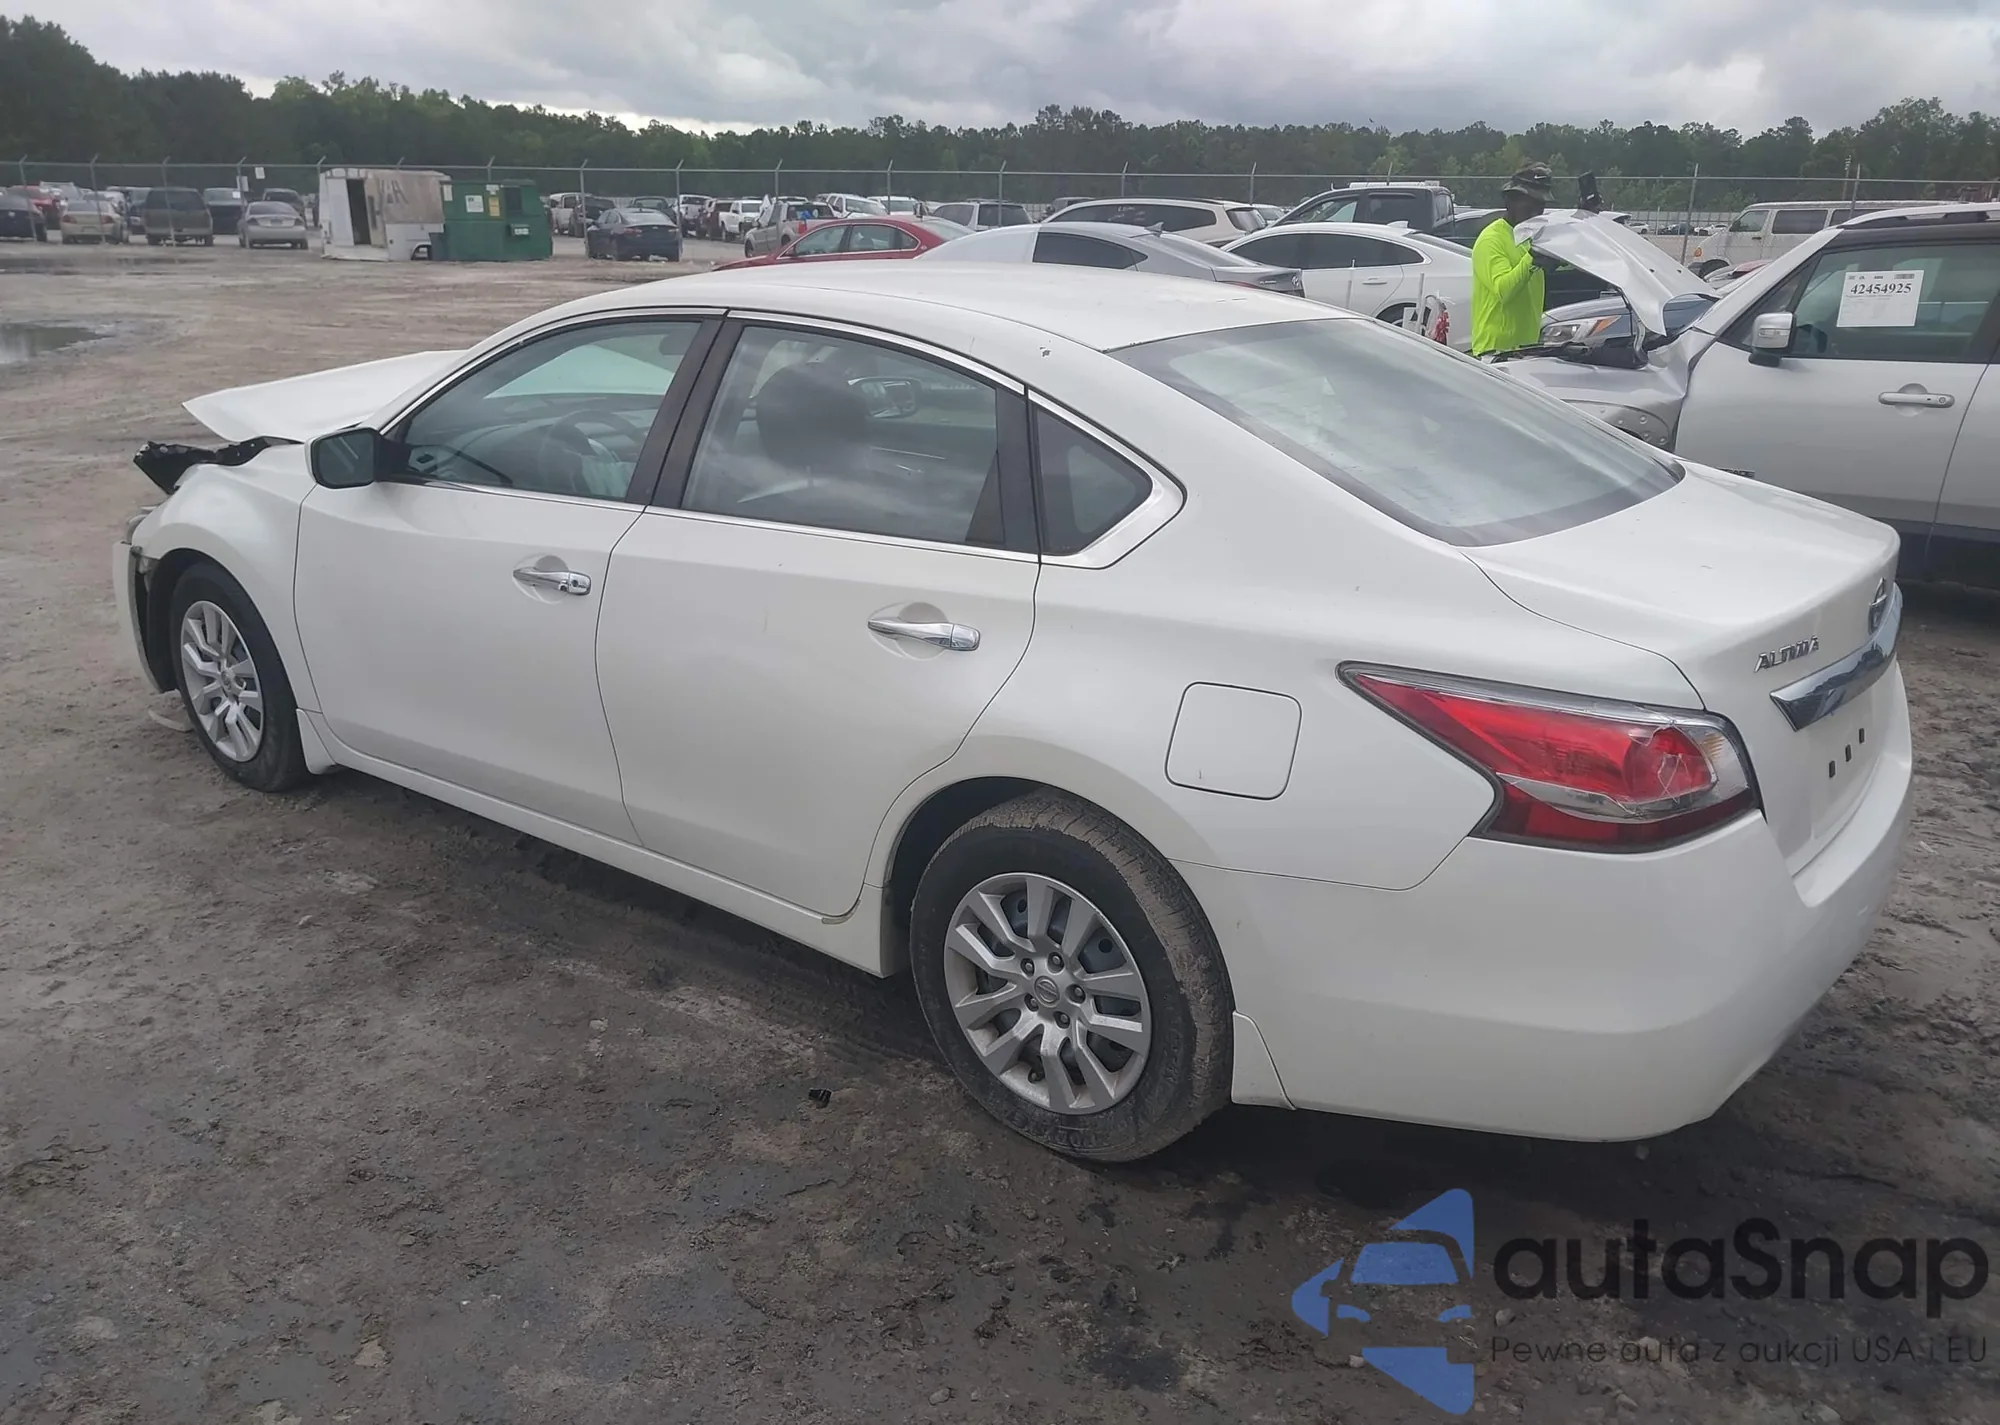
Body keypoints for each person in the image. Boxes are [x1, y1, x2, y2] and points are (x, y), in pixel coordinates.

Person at [1471, 162, 1555, 358]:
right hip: (1495, 352)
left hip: (1525, 348)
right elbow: (1504, 290)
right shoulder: (1491, 239)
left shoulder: (1529, 236)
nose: (1536, 212)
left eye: (1541, 206)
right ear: (1510, 201)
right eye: (1530, 204)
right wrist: (1532, 258)